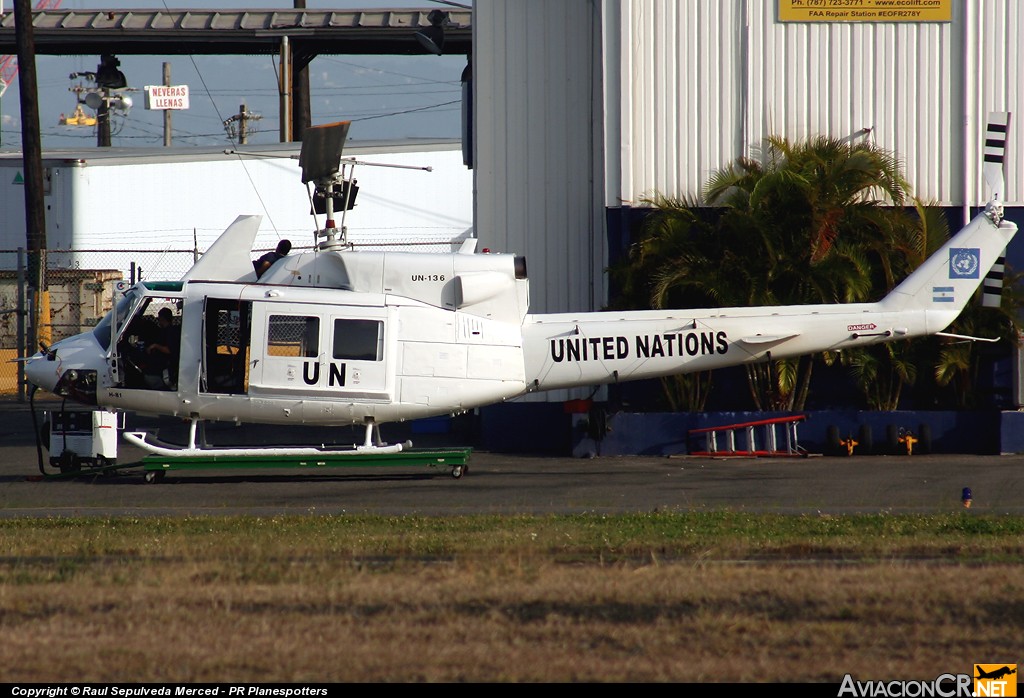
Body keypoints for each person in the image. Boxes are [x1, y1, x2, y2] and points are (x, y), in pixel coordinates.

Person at [144, 307, 180, 389]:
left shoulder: (171, 332)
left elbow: (169, 350)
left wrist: (155, 346)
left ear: (162, 318)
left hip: (166, 368)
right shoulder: (165, 331)